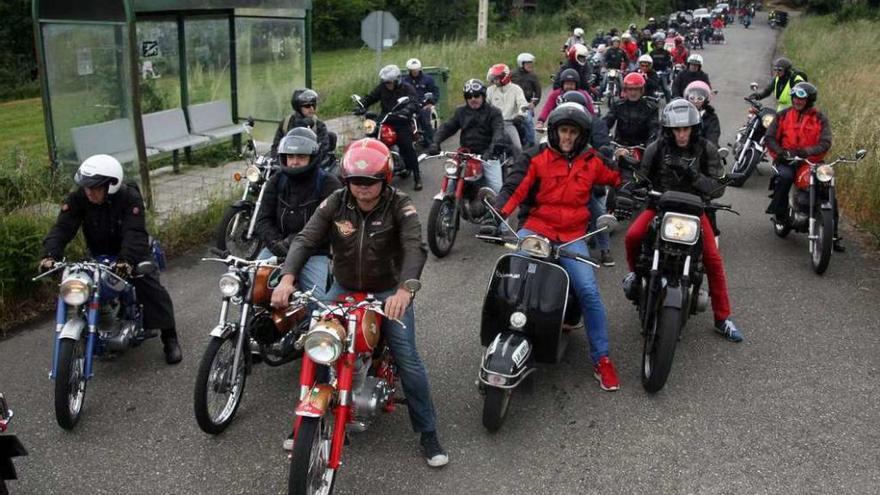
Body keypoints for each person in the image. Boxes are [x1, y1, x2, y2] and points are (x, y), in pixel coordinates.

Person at [271, 138, 448, 467]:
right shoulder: (336, 202)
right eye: (355, 181)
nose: (362, 189)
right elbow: (306, 238)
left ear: (385, 179)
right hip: (344, 287)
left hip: (387, 292)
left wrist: (405, 291)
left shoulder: (400, 205)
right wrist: (287, 277)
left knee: (408, 360)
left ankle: (428, 433)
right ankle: (306, 422)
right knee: (319, 345)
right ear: (346, 179)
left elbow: (414, 247)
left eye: (370, 182)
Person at [495, 103, 622, 391]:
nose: (567, 137)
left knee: (588, 291)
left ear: (581, 135)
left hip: (574, 235)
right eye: (563, 131)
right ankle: (502, 338)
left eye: (573, 132)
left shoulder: (592, 160)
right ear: (554, 131)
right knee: (513, 274)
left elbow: (617, 179)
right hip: (537, 228)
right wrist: (498, 214)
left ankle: (601, 358)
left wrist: (627, 184)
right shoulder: (536, 157)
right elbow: (515, 187)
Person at [40, 155, 182, 364]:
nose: (89, 192)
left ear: (111, 185)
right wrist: (50, 255)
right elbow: (63, 226)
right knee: (84, 285)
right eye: (86, 186)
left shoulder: (129, 197)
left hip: (132, 252)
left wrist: (126, 261)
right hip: (99, 253)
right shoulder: (80, 197)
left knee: (148, 285)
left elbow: (134, 232)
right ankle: (96, 328)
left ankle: (170, 338)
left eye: (95, 187)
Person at [623, 100, 743, 343]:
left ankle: (723, 318)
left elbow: (717, 188)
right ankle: (636, 276)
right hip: (659, 207)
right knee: (632, 236)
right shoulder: (656, 148)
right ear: (669, 130)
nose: (681, 134)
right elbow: (642, 176)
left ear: (694, 128)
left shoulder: (706, 149)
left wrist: (692, 175)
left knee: (712, 260)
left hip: (695, 212)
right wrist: (629, 187)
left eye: (686, 129)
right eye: (677, 129)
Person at [253, 128, 341, 301]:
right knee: (251, 288)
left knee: (318, 301)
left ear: (312, 157)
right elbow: (262, 219)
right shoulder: (276, 181)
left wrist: (293, 243)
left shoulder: (328, 184)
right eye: (290, 157)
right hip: (276, 249)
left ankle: (309, 327)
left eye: (300, 157)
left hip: (314, 253)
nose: (294, 162)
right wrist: (276, 243)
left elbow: (331, 226)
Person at [764, 82, 840, 250]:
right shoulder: (783, 115)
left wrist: (807, 152)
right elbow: (769, 138)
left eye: (801, 98)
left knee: (828, 187)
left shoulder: (819, 118)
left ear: (809, 100)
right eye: (795, 97)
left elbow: (826, 142)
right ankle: (781, 213)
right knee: (785, 177)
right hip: (787, 160)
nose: (797, 101)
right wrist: (782, 153)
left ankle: (833, 235)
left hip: (810, 160)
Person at [428, 79, 508, 195]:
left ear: (483, 96)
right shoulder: (461, 111)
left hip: (487, 155)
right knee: (450, 184)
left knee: (496, 189)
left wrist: (492, 150)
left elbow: (498, 131)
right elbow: (448, 127)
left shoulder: (494, 112)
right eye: (469, 96)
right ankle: (447, 205)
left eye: (476, 95)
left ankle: (496, 212)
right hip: (466, 155)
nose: (473, 99)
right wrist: (436, 142)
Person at [357, 64, 423, 190]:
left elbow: (414, 102)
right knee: (372, 142)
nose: (387, 84)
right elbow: (371, 97)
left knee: (407, 147)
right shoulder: (383, 87)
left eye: (389, 82)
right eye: (385, 82)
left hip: (401, 121)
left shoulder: (407, 88)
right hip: (385, 120)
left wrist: (406, 111)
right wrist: (362, 105)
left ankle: (417, 176)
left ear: (397, 80)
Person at [271, 88, 337, 173]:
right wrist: (279, 164)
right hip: (287, 167)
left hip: (309, 169)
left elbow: (322, 150)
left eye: (314, 105)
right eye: (307, 106)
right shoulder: (286, 123)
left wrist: (309, 166)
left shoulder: (319, 125)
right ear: (298, 107)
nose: (312, 108)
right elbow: (275, 147)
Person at [603, 72, 660, 149]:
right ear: (625, 90)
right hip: (619, 146)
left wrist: (650, 145)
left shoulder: (651, 107)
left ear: (642, 90)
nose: (633, 93)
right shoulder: (618, 105)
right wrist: (602, 135)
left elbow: (654, 129)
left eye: (636, 89)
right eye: (630, 89)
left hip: (642, 147)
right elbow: (607, 121)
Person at [486, 63, 529, 155]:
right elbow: (485, 105)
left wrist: (520, 115)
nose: (495, 81)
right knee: (483, 144)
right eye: (494, 78)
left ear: (504, 77)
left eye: (497, 78)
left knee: (517, 147)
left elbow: (523, 104)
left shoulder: (516, 89)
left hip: (509, 123)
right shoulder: (490, 90)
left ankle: (519, 167)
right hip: (493, 123)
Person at [403, 58, 440, 147]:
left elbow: (435, 92)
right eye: (412, 70)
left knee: (425, 119)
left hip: (423, 105)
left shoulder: (428, 79)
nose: (414, 72)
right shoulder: (404, 81)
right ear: (409, 70)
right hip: (409, 105)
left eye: (416, 69)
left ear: (420, 69)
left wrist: (431, 103)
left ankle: (430, 142)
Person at [511, 53, 542, 148]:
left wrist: (534, 103)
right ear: (521, 64)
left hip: (527, 104)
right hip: (514, 103)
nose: (530, 65)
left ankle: (532, 144)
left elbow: (538, 92)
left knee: (528, 121)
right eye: (528, 63)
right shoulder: (512, 75)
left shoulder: (533, 76)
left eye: (531, 63)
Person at [684, 80, 720, 146]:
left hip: (702, 151)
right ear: (687, 98)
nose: (695, 101)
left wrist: (711, 148)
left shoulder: (711, 117)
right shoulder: (681, 114)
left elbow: (713, 136)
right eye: (692, 98)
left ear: (706, 100)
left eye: (700, 98)